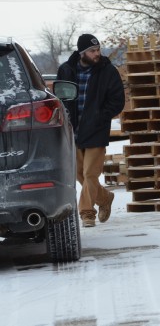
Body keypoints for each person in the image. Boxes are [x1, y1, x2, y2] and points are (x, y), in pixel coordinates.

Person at [57, 34, 125, 228]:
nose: (97, 54)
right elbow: (59, 97)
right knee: (79, 173)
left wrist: (100, 116)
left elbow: (117, 100)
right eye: (92, 51)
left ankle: (87, 213)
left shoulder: (108, 71)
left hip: (96, 130)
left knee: (90, 174)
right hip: (73, 131)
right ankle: (104, 198)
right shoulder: (66, 70)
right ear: (82, 53)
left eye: (98, 50)